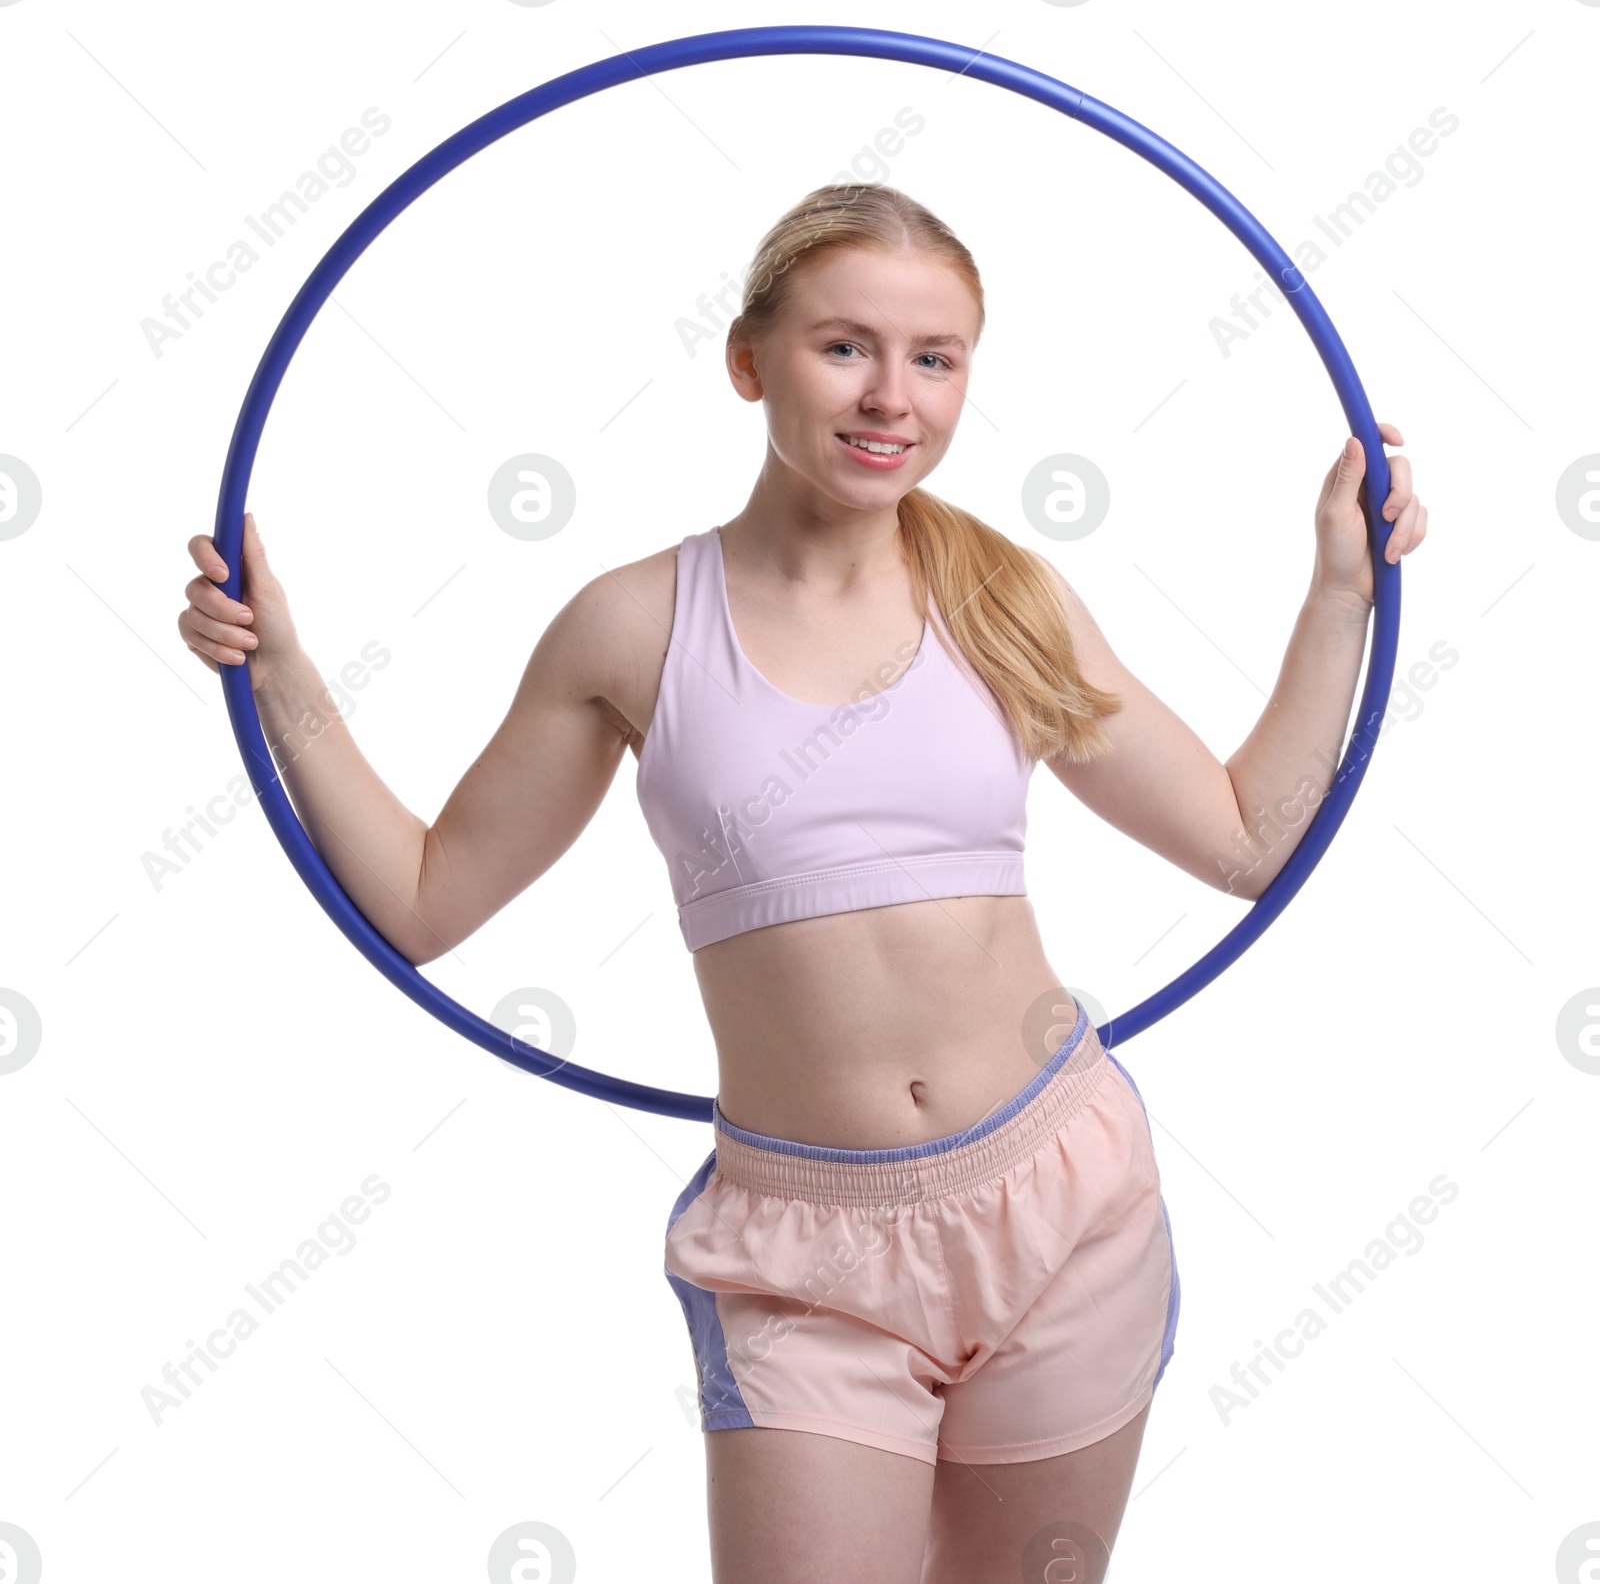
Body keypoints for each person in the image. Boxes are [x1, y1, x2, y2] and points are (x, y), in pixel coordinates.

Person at [177, 182, 1427, 1584]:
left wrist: (1339, 591)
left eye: (935, 358)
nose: (893, 395)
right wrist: (280, 674)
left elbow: (1248, 838)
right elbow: (421, 897)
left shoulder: (1006, 596)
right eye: (846, 346)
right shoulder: (633, 623)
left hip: (1064, 1193)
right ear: (748, 359)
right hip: (804, 1252)